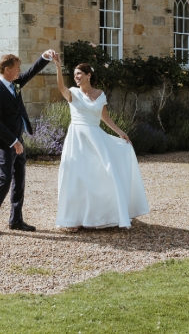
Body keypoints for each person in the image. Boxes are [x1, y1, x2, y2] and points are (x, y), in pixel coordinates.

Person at [51, 52, 150, 230]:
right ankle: (73, 219)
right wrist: (58, 67)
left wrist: (121, 133)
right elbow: (60, 87)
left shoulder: (100, 94)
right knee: (76, 176)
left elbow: (105, 118)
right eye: (74, 74)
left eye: (79, 73)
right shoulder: (73, 93)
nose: (76, 77)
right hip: (77, 139)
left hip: (96, 138)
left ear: (88, 75)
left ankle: (105, 215)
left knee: (102, 174)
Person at [0, 50, 54, 236]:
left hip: (18, 140)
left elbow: (30, 73)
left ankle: (16, 220)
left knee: (19, 180)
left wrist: (45, 57)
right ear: (7, 70)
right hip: (6, 143)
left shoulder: (15, 83)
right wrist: (13, 141)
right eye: (17, 68)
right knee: (5, 179)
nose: (19, 71)